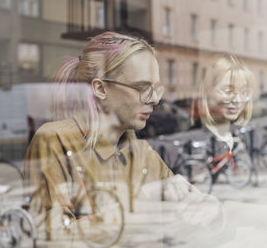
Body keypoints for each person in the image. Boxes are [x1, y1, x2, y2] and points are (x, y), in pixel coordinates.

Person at [22, 32, 222, 245]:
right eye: (143, 88)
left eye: (156, 89)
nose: (154, 99)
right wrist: (144, 201)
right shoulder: (55, 140)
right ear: (101, 88)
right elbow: (52, 239)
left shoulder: (142, 153)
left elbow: (180, 228)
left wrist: (210, 209)